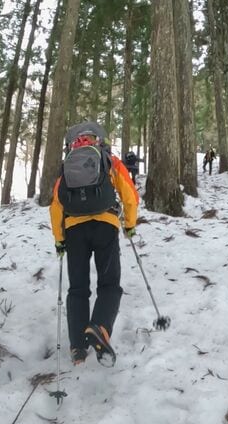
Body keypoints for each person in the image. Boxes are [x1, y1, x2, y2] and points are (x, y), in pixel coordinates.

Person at [50, 121, 139, 367]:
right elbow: (129, 195)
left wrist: (60, 240)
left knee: (77, 288)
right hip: (105, 224)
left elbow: (56, 207)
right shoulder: (108, 160)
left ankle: (78, 348)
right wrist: (130, 224)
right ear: (99, 140)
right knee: (109, 283)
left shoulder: (68, 165)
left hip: (74, 230)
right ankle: (100, 327)